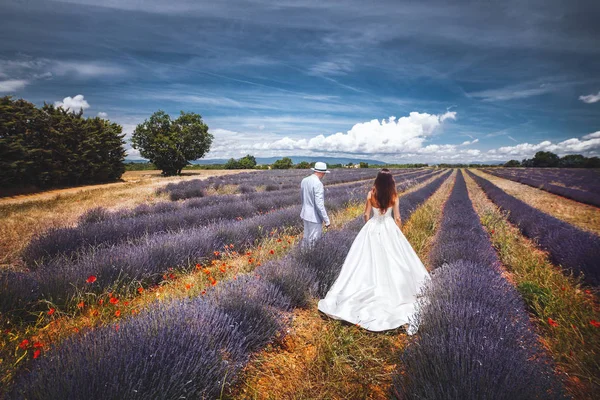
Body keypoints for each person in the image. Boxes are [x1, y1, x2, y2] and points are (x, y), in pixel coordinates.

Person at [317, 169, 430, 334]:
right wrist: (399, 234)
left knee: (363, 262)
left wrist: (369, 224)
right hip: (389, 228)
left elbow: (366, 214)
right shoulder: (394, 196)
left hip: (372, 228)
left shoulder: (371, 194)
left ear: (377, 181)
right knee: (394, 262)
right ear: (390, 182)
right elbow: (397, 218)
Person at [300, 161, 331, 247]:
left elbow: (302, 198)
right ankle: (310, 259)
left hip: (305, 214)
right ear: (321, 172)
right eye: (324, 173)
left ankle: (303, 257)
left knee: (306, 238)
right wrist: (326, 220)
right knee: (314, 241)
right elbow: (319, 204)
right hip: (314, 217)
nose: (324, 175)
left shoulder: (304, 180)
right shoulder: (318, 184)